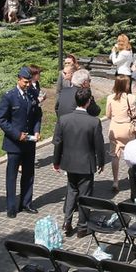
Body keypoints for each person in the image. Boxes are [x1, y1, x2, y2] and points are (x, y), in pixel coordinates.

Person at [52, 86, 107, 237]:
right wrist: (101, 162)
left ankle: (66, 222)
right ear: (89, 102)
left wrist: (56, 162)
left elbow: (58, 143)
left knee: (71, 192)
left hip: (69, 163)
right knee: (85, 196)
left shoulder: (64, 120)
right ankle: (82, 227)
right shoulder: (94, 122)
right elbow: (99, 145)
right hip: (86, 164)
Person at [0, 66, 41, 218]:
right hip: (14, 143)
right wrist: (16, 134)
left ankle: (26, 202)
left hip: (29, 142)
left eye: (29, 82)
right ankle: (11, 206)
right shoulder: (9, 96)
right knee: (12, 175)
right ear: (19, 79)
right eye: (25, 82)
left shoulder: (32, 94)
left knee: (28, 174)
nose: (28, 85)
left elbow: (36, 116)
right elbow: (1, 120)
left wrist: (36, 130)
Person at [104, 74, 136, 193]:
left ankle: (115, 181)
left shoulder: (110, 98)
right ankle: (134, 176)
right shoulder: (131, 98)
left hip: (114, 128)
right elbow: (134, 113)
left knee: (115, 155)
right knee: (132, 154)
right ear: (125, 85)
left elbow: (108, 115)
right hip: (127, 128)